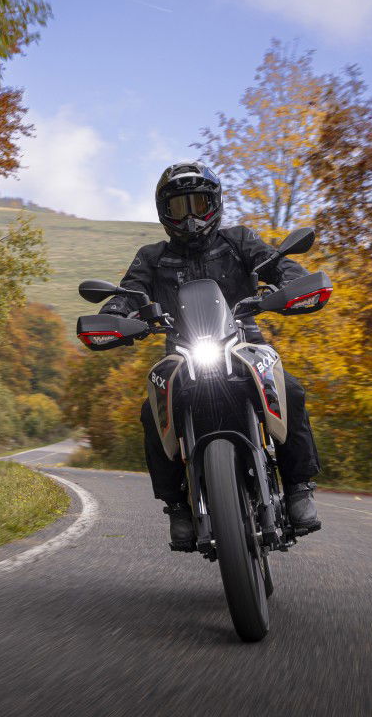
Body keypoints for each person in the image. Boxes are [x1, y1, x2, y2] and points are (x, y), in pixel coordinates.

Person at [99, 161, 322, 547]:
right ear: (164, 213)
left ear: (214, 204)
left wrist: (290, 282)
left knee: (292, 390)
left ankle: (299, 487)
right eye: (179, 208)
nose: (190, 218)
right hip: (184, 352)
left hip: (245, 342)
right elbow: (127, 294)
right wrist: (116, 318)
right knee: (151, 412)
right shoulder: (152, 257)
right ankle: (177, 507)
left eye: (198, 204)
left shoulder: (238, 241)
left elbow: (278, 263)